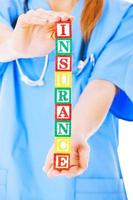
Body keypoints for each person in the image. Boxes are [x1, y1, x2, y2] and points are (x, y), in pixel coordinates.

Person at [0, 0, 133, 199]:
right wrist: (16, 47)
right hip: (16, 181)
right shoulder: (11, 6)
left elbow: (103, 86)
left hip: (90, 176)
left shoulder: (122, 15)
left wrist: (74, 134)